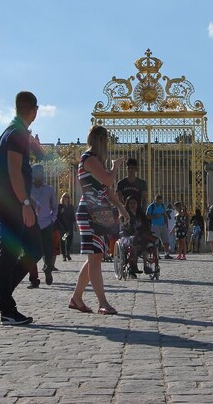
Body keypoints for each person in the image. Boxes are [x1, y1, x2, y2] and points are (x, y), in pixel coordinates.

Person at [0, 91, 43, 326]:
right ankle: (7, 308)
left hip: (12, 199)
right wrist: (26, 202)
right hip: (12, 202)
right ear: (34, 110)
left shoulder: (14, 130)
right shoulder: (17, 133)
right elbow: (14, 171)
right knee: (11, 251)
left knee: (35, 247)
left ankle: (1, 297)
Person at [69, 124, 125, 316]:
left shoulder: (95, 161)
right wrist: (114, 167)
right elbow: (108, 181)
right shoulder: (89, 159)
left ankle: (76, 298)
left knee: (95, 257)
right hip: (89, 212)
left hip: (98, 212)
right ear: (101, 141)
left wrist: (121, 208)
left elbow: (107, 190)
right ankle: (102, 302)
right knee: (95, 258)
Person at [28, 164, 58, 288]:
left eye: (40, 173)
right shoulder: (28, 189)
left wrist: (52, 219)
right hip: (32, 223)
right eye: (36, 173)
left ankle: (48, 269)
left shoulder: (50, 190)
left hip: (46, 223)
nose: (38, 175)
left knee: (48, 250)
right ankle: (34, 279)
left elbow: (55, 207)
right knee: (31, 251)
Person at [146, 194, 172, 259]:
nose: (159, 202)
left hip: (162, 225)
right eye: (158, 200)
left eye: (160, 200)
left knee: (166, 241)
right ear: (155, 199)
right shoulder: (151, 206)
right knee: (155, 241)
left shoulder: (162, 206)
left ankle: (167, 254)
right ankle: (156, 254)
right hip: (154, 225)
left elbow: (165, 214)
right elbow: (147, 216)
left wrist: (166, 224)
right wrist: (154, 216)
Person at [56, 193, 75, 262]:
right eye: (65, 197)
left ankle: (68, 253)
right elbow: (57, 216)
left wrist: (75, 226)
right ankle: (64, 255)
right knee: (63, 240)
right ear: (62, 198)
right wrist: (60, 212)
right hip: (63, 226)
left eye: (67, 197)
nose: (66, 198)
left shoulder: (71, 207)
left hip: (69, 226)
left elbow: (73, 217)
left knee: (69, 240)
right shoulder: (60, 206)